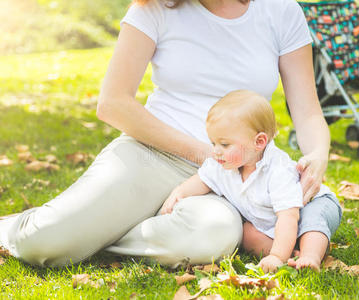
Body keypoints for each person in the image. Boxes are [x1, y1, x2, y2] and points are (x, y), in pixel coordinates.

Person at [0, 0, 341, 269]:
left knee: (215, 235)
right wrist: (201, 154)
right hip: (151, 155)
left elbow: (308, 111)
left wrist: (318, 154)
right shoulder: (154, 8)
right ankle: (23, 227)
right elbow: (113, 104)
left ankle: (97, 230)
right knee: (42, 243)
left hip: (234, 176)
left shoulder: (282, 10)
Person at [160, 90, 341, 272]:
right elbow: (203, 180)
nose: (216, 151)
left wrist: (277, 255)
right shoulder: (223, 164)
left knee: (312, 222)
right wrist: (179, 193)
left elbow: (289, 217)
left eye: (224, 144)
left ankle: (309, 257)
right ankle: (293, 255)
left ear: (259, 142)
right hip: (272, 222)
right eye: (213, 143)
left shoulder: (278, 170)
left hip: (311, 204)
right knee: (247, 234)